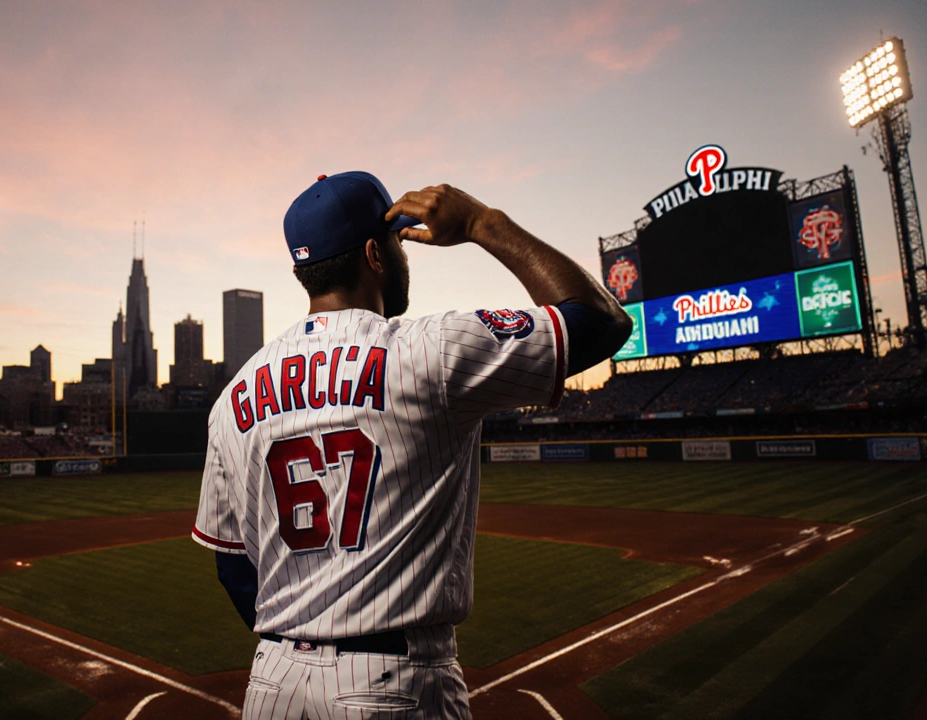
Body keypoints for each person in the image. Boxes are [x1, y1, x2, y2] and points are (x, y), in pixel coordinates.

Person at [193, 172, 632, 719]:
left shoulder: (233, 395)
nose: (405, 255)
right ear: (375, 255)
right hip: (390, 686)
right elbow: (602, 321)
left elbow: (233, 567)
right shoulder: (431, 349)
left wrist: (301, 640)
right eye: (399, 243)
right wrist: (481, 223)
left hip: (272, 685)